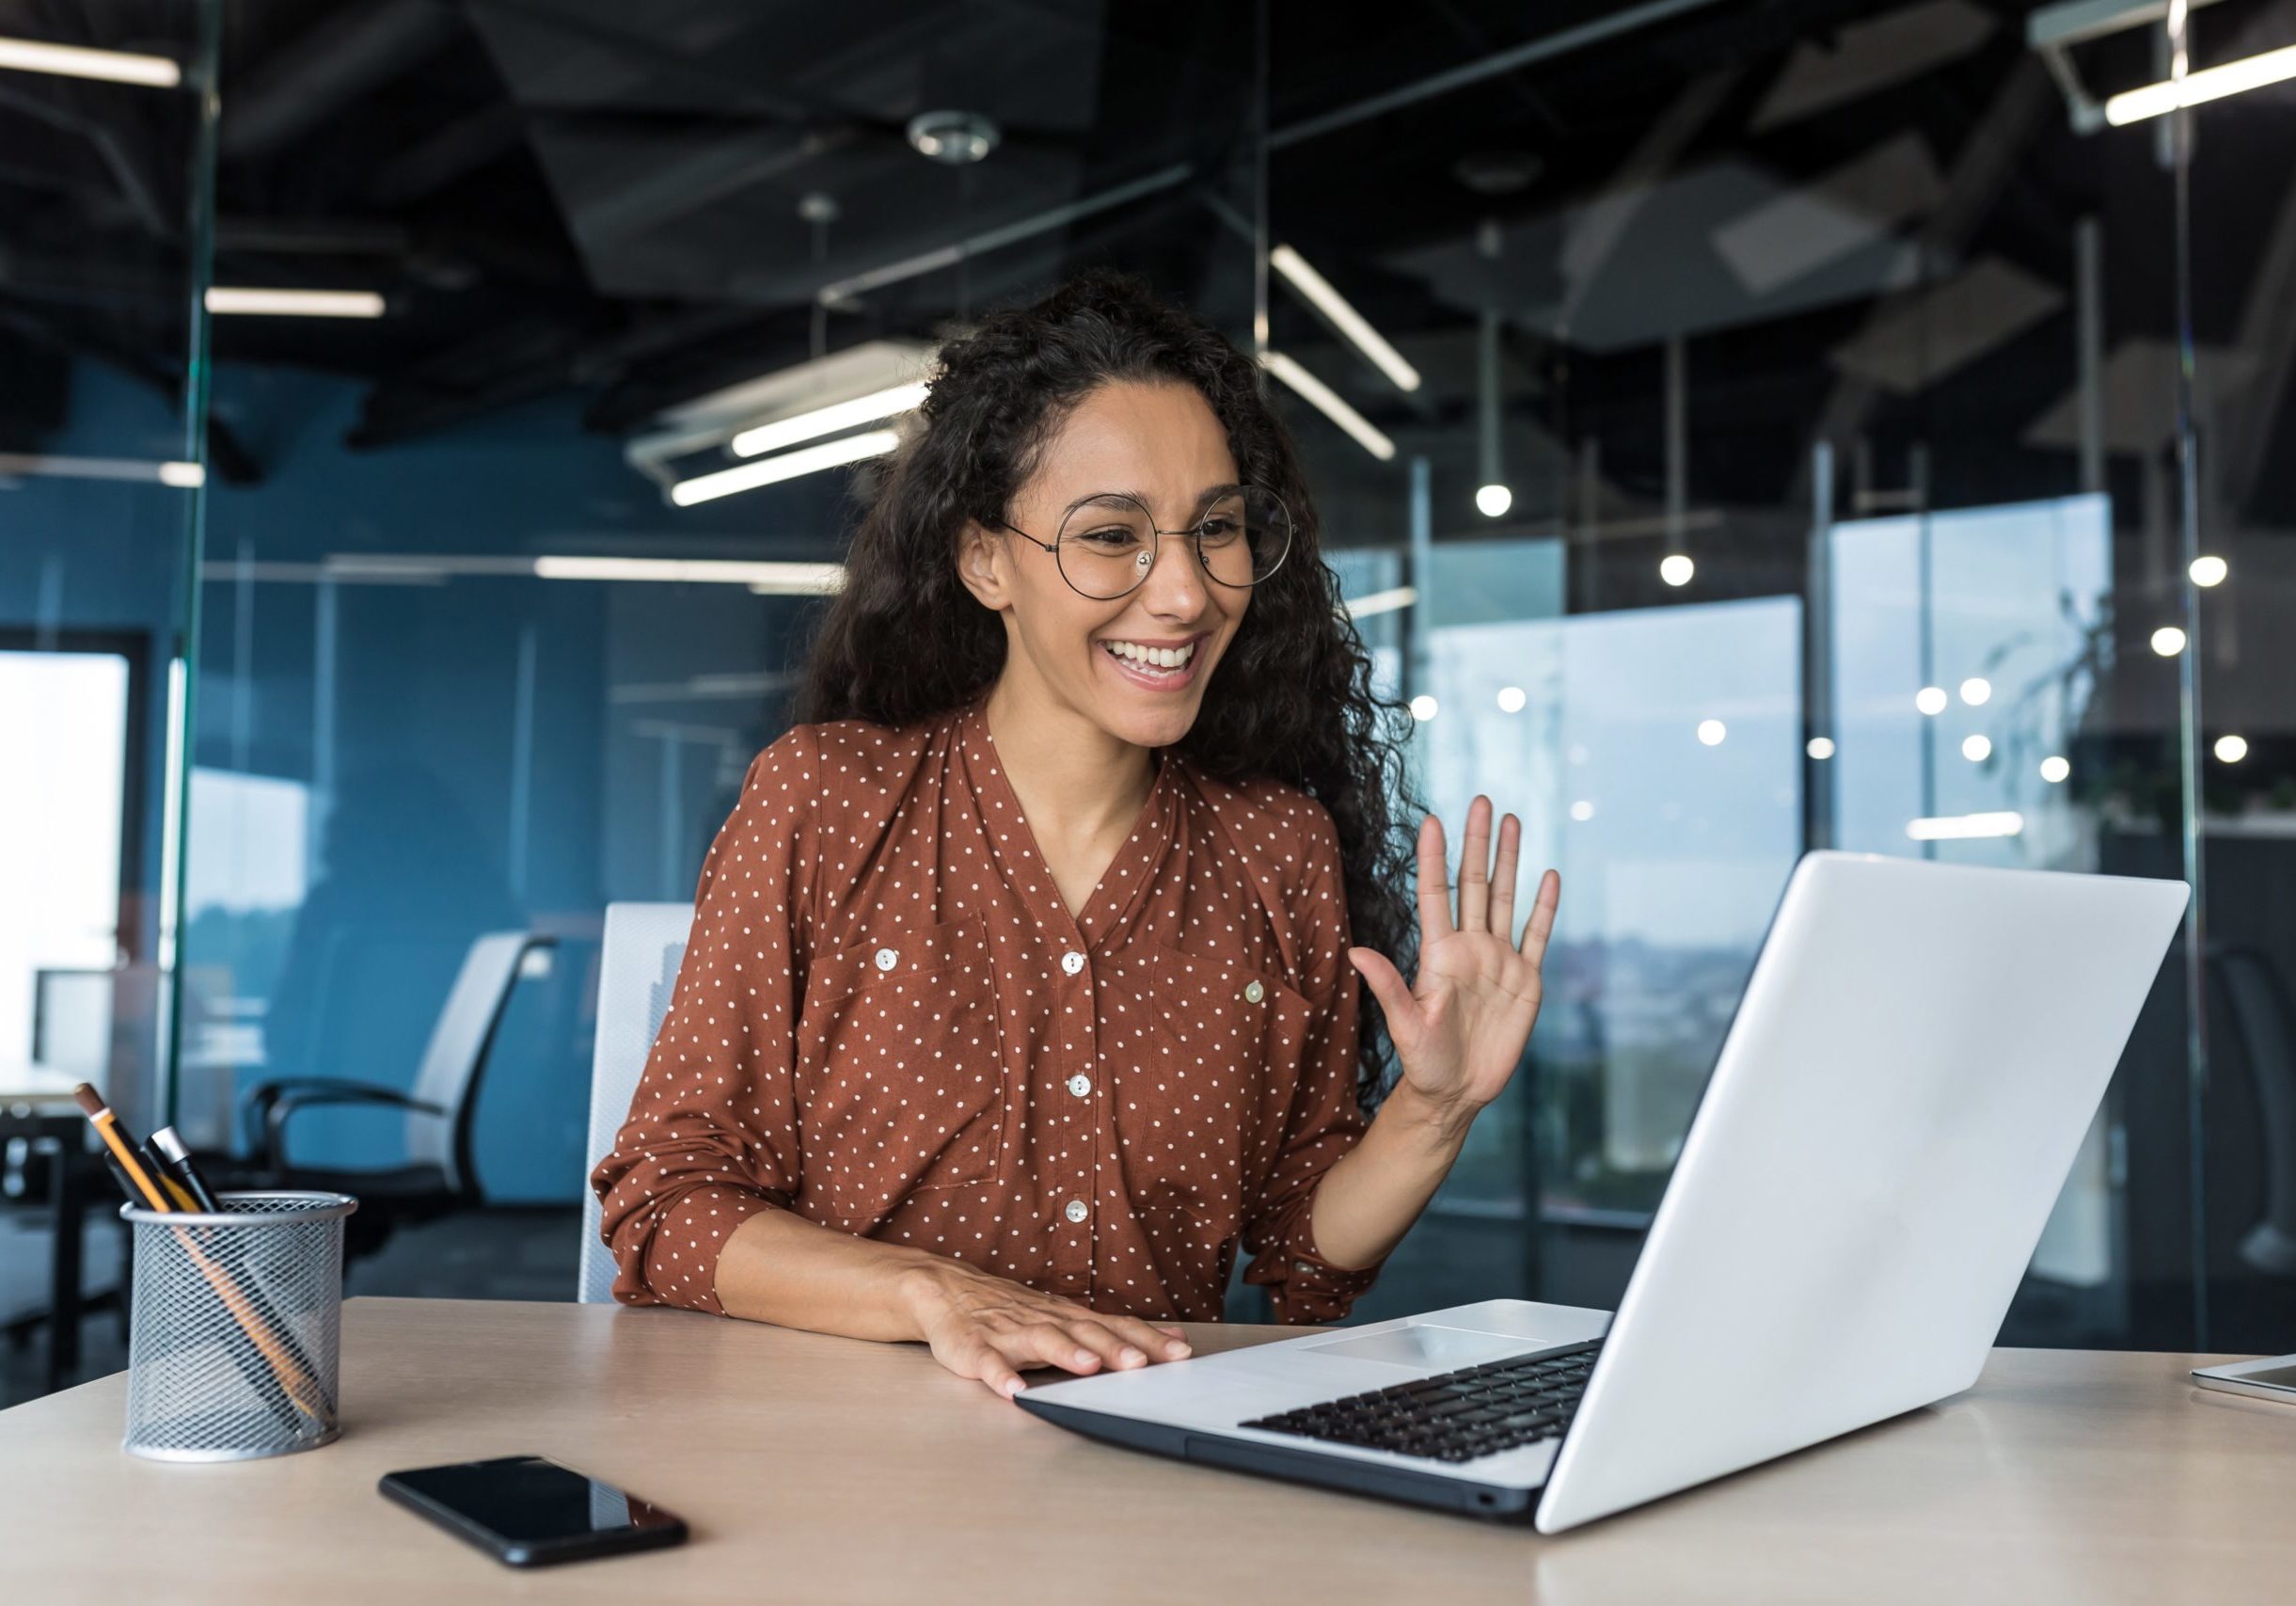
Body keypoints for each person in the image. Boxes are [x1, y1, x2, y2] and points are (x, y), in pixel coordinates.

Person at [591, 267, 1560, 1400]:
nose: (1186, 594)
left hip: (1137, 1470)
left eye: (1216, 530)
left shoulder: (1274, 850)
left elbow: (1303, 1252)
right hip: (837, 1465)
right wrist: (925, 1295)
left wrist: (1432, 1112)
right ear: (985, 559)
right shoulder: (824, 800)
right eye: (1112, 536)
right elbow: (667, 1202)